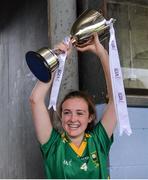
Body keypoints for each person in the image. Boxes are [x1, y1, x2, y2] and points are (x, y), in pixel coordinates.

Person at [29, 33, 116, 179]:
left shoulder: (98, 140)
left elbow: (115, 100)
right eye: (67, 112)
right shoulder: (53, 145)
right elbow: (35, 100)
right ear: (61, 116)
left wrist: (103, 54)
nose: (73, 118)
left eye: (80, 113)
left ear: (90, 117)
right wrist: (55, 61)